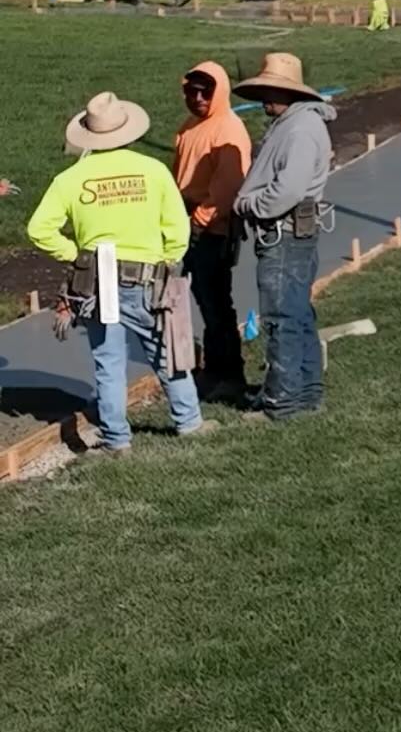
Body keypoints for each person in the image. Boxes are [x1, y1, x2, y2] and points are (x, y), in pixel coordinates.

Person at [27, 90, 204, 456]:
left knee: (108, 361)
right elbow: (177, 227)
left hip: (95, 281)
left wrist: (75, 254)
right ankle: (189, 422)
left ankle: (117, 439)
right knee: (165, 350)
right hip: (147, 278)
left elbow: (38, 229)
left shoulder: (70, 179)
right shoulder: (153, 171)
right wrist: (170, 259)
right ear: (127, 130)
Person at [233, 52, 335, 424]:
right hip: (295, 232)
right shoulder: (295, 124)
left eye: (272, 91)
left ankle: (283, 401)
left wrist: (248, 205)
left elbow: (287, 190)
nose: (265, 99)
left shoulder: (300, 129)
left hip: (286, 233)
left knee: (282, 317)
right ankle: (305, 392)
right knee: (297, 313)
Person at [172, 61, 252, 400]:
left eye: (206, 90)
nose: (198, 97)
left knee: (217, 303)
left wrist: (199, 221)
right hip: (188, 223)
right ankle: (214, 368)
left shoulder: (228, 129)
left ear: (219, 91)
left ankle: (228, 374)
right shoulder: (190, 126)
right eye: (192, 90)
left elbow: (228, 187)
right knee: (205, 302)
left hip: (211, 229)